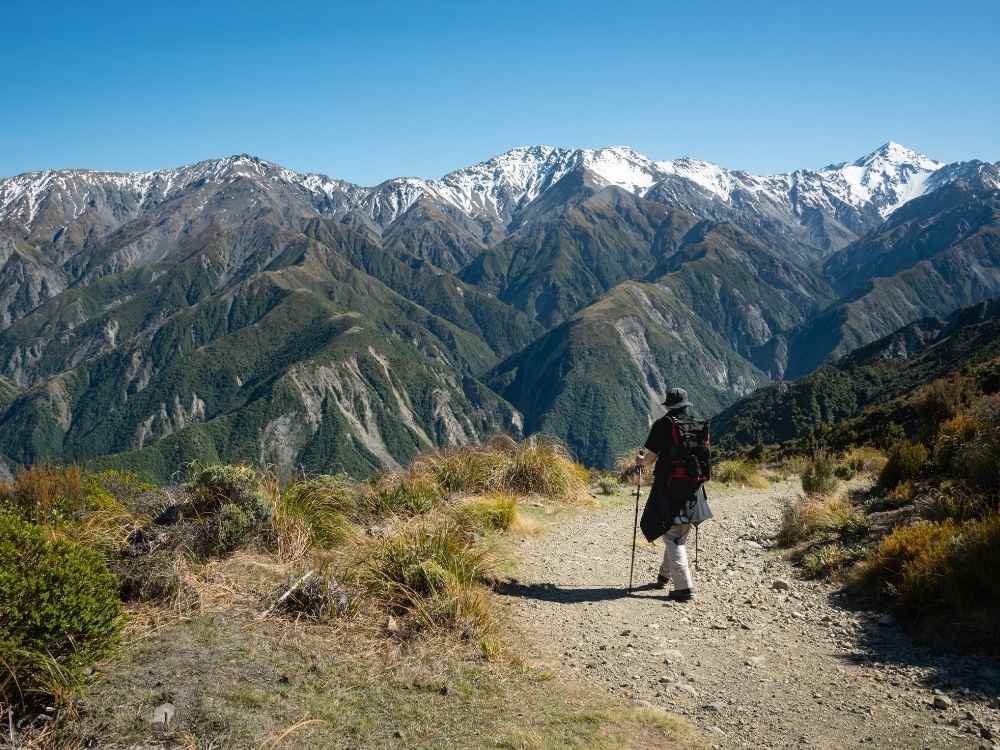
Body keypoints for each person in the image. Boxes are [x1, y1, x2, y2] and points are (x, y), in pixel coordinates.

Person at [634, 387, 712, 602]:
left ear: (668, 406)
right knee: (678, 529)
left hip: (669, 487)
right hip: (695, 488)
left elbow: (649, 458)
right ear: (686, 405)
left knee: (673, 534)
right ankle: (664, 575)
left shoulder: (663, 425)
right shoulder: (698, 425)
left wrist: (640, 461)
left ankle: (684, 588)